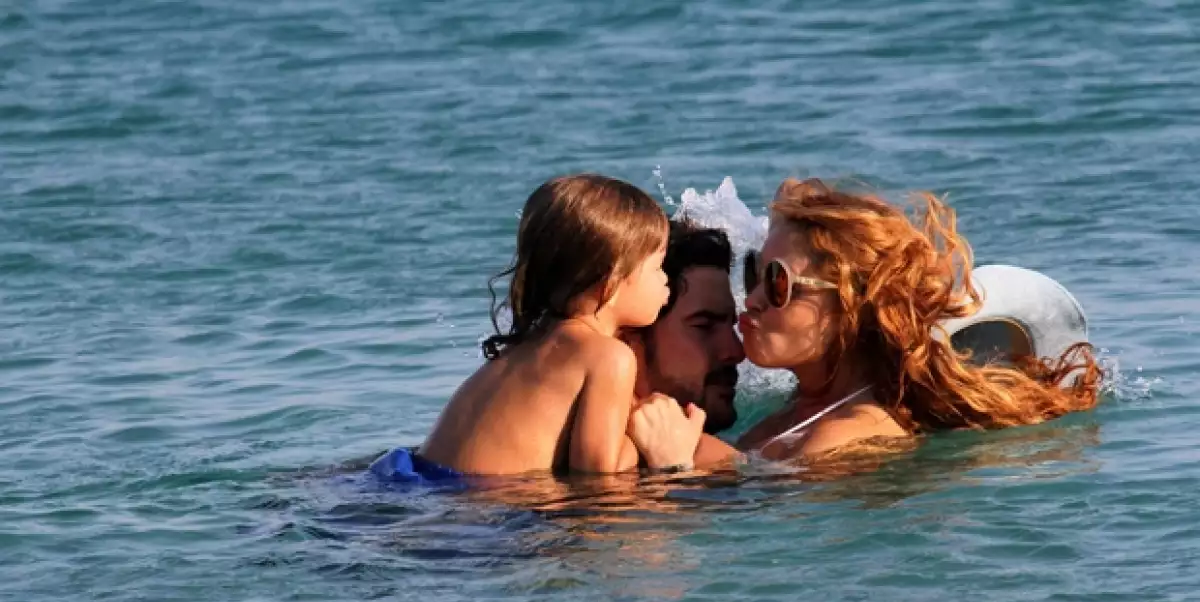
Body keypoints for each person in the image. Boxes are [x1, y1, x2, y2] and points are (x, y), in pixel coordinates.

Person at [631, 177, 1102, 468]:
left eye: (776, 283)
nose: (750, 300)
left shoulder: (848, 436)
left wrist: (673, 471)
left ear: (849, 308)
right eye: (754, 272)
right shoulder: (795, 414)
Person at [395, 173, 705, 478]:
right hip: (481, 513)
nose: (666, 279)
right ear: (609, 283)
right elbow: (599, 476)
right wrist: (664, 444)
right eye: (657, 267)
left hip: (414, 481)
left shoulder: (526, 345)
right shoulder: (608, 357)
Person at [623, 219, 745, 434]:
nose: (736, 352)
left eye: (732, 325)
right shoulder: (717, 461)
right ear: (631, 339)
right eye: (704, 326)